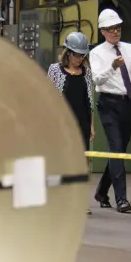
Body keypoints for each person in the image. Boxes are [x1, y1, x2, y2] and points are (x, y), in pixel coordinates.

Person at [89, 8, 131, 213]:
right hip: (108, 104)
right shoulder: (97, 53)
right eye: (110, 29)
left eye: (117, 28)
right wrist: (113, 67)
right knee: (116, 149)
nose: (115, 32)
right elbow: (97, 79)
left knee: (119, 152)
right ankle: (122, 199)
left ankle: (101, 191)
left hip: (128, 103)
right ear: (103, 31)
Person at [47, 32, 94, 215]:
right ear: (68, 53)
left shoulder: (86, 73)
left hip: (81, 121)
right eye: (76, 55)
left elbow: (89, 100)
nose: (79, 59)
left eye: (83, 56)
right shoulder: (54, 70)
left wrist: (91, 126)